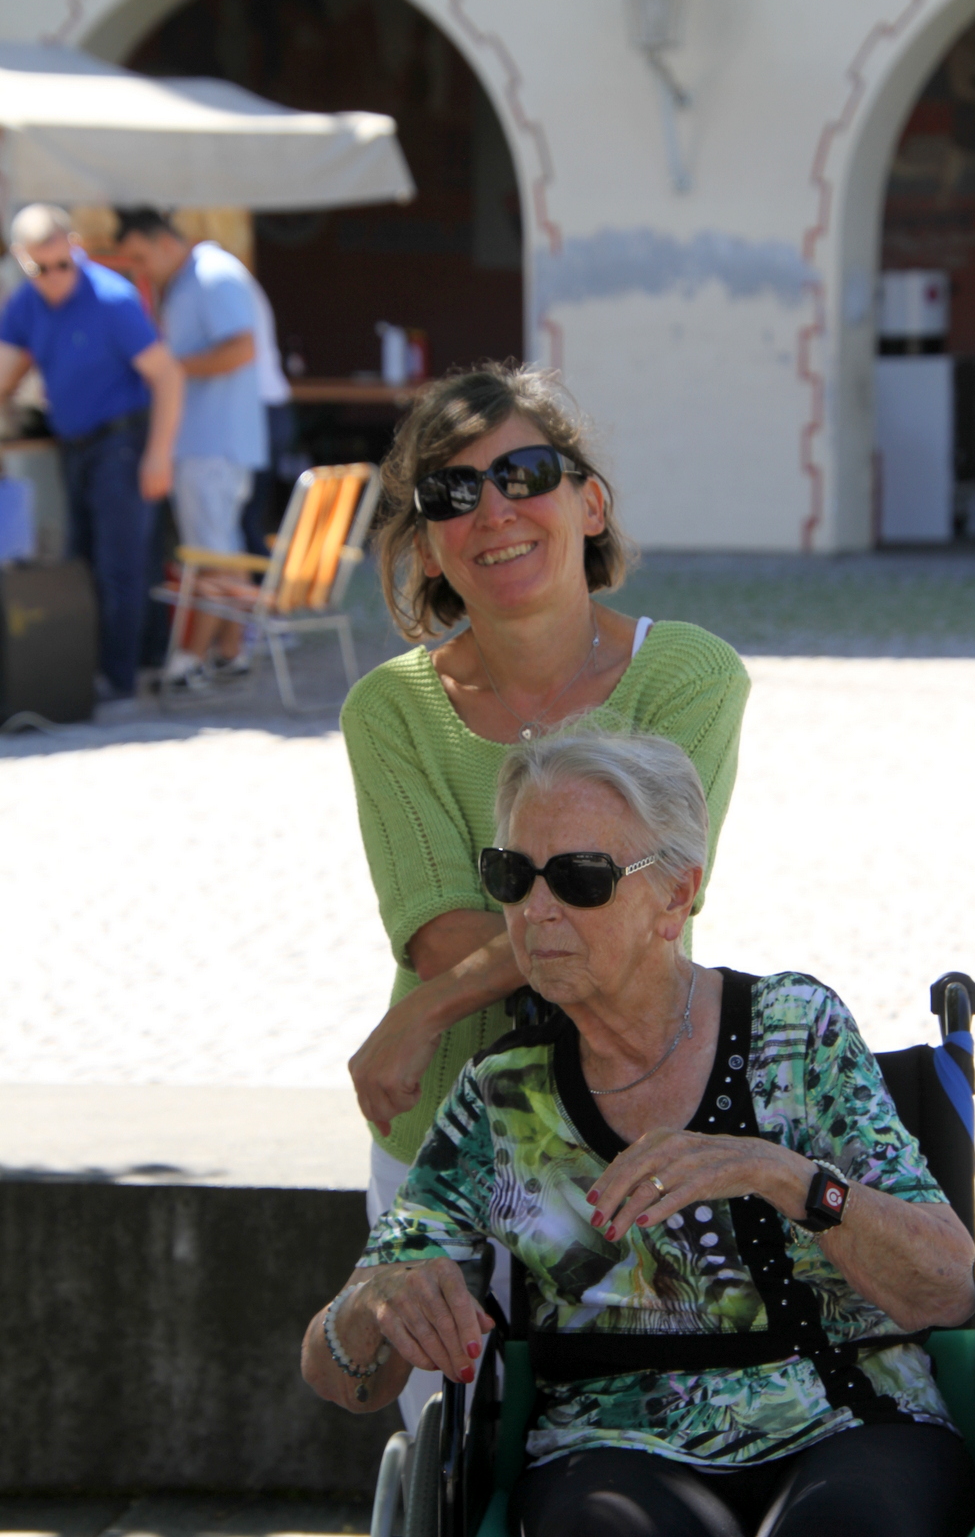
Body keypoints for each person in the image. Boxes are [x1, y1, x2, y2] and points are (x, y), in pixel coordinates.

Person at [303, 728, 975, 1537]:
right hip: (606, 1444)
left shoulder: (794, 1032)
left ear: (674, 896)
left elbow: (945, 1286)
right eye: (512, 876)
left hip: (846, 1412)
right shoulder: (501, 1099)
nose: (536, 910)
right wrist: (370, 1304)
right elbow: (343, 1377)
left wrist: (782, 1176)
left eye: (580, 878)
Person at [340, 366, 749, 1424]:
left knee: (650, 1435)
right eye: (450, 493)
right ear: (428, 546)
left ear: (589, 502)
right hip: (445, 1136)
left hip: (633, 1126)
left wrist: (423, 1015)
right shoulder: (391, 709)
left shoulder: (690, 676)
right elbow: (442, 937)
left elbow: (640, 911)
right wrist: (468, 973)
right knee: (451, 1446)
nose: (493, 511)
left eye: (523, 473)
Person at [0, 204, 183, 701]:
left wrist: (159, 454)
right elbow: (7, 370)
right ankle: (91, 670)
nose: (55, 277)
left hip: (122, 443)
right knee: (80, 561)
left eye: (63, 264)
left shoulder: (112, 299)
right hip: (73, 446)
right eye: (41, 269)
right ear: (20, 259)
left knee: (119, 566)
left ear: (75, 248)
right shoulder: (25, 304)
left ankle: (118, 680)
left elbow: (167, 376)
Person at [115, 209, 267, 692]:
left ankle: (190, 660)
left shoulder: (210, 276)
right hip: (212, 443)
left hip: (211, 445)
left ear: (165, 243)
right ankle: (230, 652)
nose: (139, 270)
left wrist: (170, 370)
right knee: (222, 551)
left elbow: (242, 349)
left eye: (141, 257)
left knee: (209, 555)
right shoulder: (192, 278)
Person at [241, 276, 296, 559]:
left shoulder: (220, 280)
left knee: (245, 522)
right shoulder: (236, 279)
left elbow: (240, 351)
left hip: (255, 412)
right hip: (268, 409)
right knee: (249, 521)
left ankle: (260, 584)